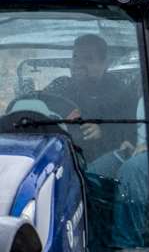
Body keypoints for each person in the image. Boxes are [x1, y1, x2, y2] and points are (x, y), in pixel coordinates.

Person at [44, 33, 138, 164]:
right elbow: (38, 109)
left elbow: (132, 132)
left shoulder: (121, 93)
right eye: (76, 58)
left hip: (102, 164)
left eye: (88, 59)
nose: (79, 65)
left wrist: (103, 131)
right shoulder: (59, 87)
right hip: (58, 157)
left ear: (105, 63)